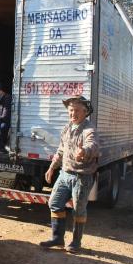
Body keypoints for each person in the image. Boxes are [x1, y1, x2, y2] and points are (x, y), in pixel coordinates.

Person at [40, 96, 99, 253]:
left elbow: (93, 145)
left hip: (81, 176)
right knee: (54, 202)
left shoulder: (89, 130)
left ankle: (75, 242)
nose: (73, 113)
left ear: (85, 112)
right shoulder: (67, 128)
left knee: (78, 210)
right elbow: (60, 151)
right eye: (71, 110)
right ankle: (57, 238)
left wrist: (84, 151)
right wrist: (52, 168)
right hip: (64, 173)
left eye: (77, 110)